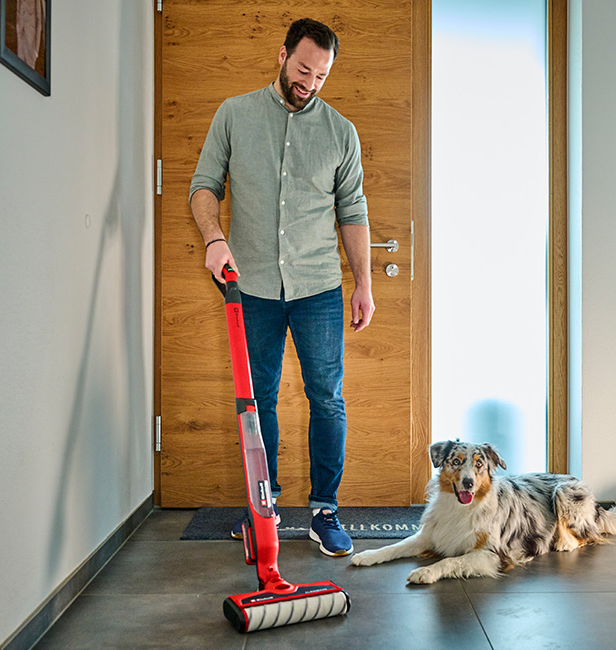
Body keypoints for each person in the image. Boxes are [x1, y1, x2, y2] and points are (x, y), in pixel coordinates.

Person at [188, 18, 373, 557]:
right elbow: (204, 185)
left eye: (321, 75)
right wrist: (213, 237)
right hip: (253, 288)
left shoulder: (341, 132)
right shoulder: (234, 114)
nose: (310, 83)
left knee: (327, 399)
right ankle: (262, 509)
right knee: (257, 401)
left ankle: (324, 511)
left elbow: (352, 211)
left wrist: (362, 282)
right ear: (282, 55)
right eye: (302, 69)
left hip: (318, 288)